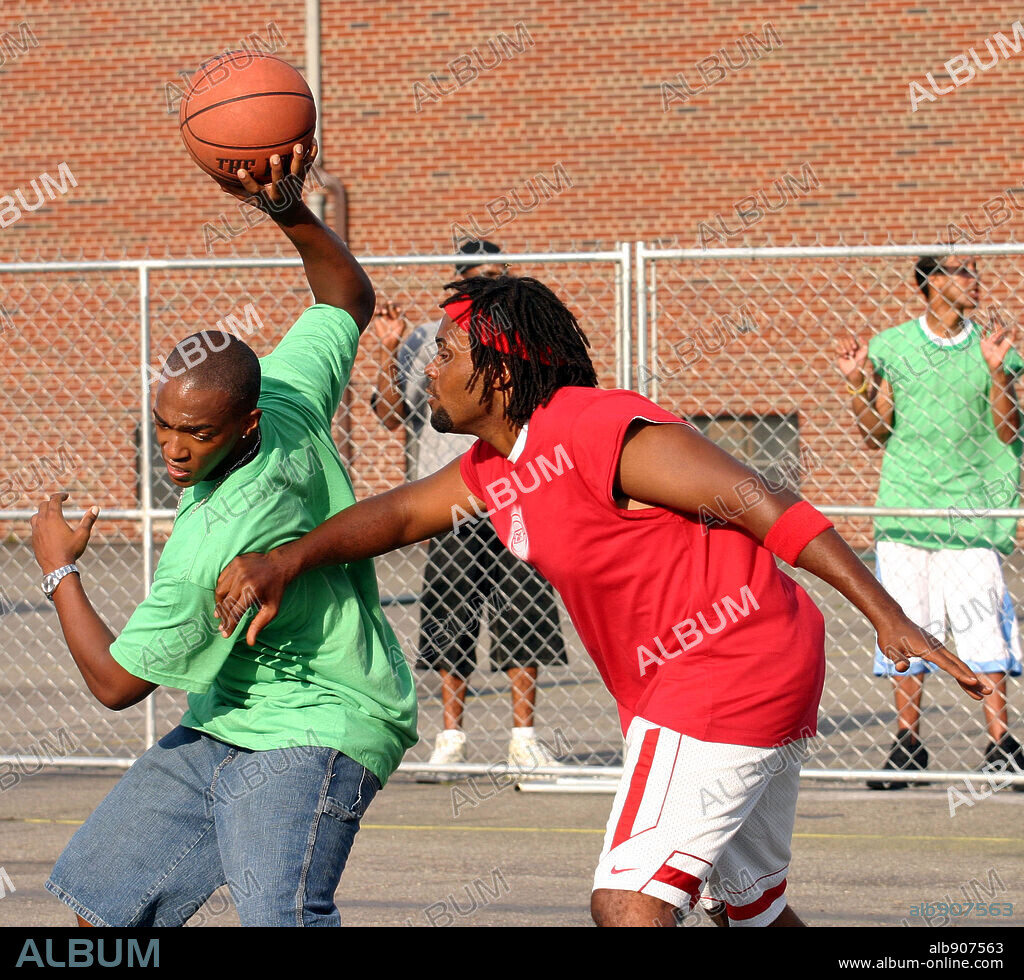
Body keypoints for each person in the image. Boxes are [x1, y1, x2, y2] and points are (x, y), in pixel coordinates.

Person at [213, 273, 989, 928]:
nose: (429, 368)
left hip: (722, 669)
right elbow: (400, 513)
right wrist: (289, 559)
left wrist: (886, 613)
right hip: (738, 669)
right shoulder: (496, 465)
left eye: (447, 354)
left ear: (502, 374)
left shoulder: (592, 426)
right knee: (749, 907)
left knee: (625, 902)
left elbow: (758, 496)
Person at [29, 144, 417, 927]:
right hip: (229, 715)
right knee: (103, 909)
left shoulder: (215, 538)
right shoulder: (286, 392)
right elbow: (346, 294)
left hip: (320, 719)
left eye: (195, 435)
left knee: (282, 917)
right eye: (163, 425)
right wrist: (286, 209)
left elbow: (115, 686)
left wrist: (57, 571)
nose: (173, 449)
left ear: (243, 423)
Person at [370, 240, 567, 777]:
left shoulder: (520, 341)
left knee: (523, 609)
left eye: (499, 277)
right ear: (460, 283)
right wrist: (389, 348)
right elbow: (390, 416)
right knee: (450, 616)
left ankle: (523, 740)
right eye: (481, 278)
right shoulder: (424, 343)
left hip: (516, 488)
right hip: (453, 500)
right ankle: (450, 738)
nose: (492, 287)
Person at [838, 254, 1024, 791]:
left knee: (982, 623)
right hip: (907, 509)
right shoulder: (893, 348)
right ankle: (908, 744)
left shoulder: (995, 348)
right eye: (961, 271)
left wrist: (995, 373)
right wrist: (857, 385)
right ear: (931, 283)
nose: (975, 280)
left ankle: (1000, 745)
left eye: (975, 270)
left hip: (973, 512)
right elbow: (874, 432)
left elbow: (1009, 431)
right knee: (905, 624)